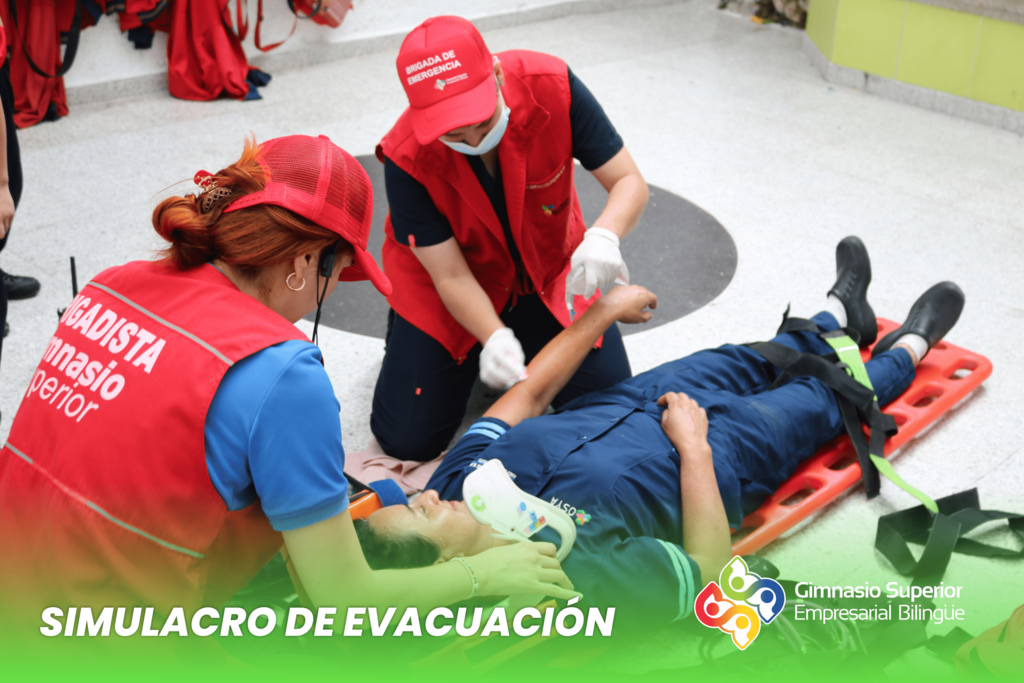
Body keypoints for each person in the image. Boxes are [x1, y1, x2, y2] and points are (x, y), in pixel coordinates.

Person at [0, 135, 578, 642]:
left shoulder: (110, 285)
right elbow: (343, 601)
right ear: (304, 262)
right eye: (337, 273)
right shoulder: (281, 373)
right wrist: (481, 573)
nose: (328, 294)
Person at [354, 237, 966, 631]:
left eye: (414, 499)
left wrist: (600, 314)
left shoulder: (458, 481)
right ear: (449, 567)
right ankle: (912, 345)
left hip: (637, 398)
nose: (425, 494)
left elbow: (531, 394)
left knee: (753, 357)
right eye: (422, 515)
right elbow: (707, 571)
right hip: (721, 452)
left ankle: (838, 311)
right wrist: (694, 447)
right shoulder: (569, 578)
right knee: (824, 397)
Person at [370, 15, 650, 462]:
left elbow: (628, 181)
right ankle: (411, 332)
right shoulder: (406, 155)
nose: (475, 141)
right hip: (451, 286)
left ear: (497, 75)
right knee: (407, 440)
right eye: (455, 134)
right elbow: (450, 276)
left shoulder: (552, 86)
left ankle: (522, 332)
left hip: (547, 274)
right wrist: (494, 335)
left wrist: (604, 235)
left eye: (483, 123)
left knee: (610, 410)